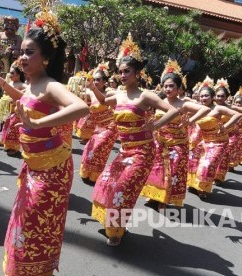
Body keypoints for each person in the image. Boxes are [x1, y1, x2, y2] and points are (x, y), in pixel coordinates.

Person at [0, 7, 89, 274]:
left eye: (29, 52)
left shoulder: (52, 85)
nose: (22, 57)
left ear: (46, 58)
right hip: (33, 167)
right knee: (24, 226)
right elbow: (25, 100)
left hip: (52, 172)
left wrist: (38, 124)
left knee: (35, 228)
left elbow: (81, 108)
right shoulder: (32, 85)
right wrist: (0, 82)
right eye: (22, 51)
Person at [91, 34, 179, 246]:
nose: (122, 75)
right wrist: (92, 87)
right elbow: (103, 101)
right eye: (120, 72)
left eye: (126, 71)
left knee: (122, 191)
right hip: (125, 151)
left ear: (137, 73)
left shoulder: (145, 96)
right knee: (106, 182)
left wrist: (156, 125)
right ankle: (115, 225)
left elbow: (174, 110)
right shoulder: (118, 95)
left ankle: (116, 230)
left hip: (142, 153)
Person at [141, 60, 211, 209]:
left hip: (178, 145)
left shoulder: (183, 104)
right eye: (165, 86)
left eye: (171, 86)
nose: (168, 88)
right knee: (158, 169)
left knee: (172, 172)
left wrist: (190, 120)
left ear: (179, 88)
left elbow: (205, 110)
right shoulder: (159, 101)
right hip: (160, 142)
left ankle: (164, 200)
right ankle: (154, 196)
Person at [187, 77, 241, 199]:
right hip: (204, 140)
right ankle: (194, 184)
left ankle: (203, 188)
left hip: (219, 142)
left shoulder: (217, 108)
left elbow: (238, 114)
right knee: (194, 161)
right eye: (201, 96)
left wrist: (225, 127)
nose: (203, 98)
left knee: (208, 164)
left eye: (206, 96)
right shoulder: (197, 108)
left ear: (212, 97)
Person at [80, 63, 118, 184]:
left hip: (110, 127)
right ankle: (86, 173)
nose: (95, 82)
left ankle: (95, 176)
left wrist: (93, 89)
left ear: (105, 81)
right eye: (94, 79)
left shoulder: (111, 92)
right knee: (89, 148)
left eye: (98, 80)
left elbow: (104, 100)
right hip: (98, 127)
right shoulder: (89, 92)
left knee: (99, 148)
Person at [0, 60, 26, 156]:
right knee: (6, 126)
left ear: (18, 75)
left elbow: (26, 93)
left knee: (13, 127)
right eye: (9, 72)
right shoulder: (9, 84)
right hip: (8, 110)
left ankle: (14, 147)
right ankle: (8, 145)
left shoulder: (22, 85)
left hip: (16, 110)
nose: (9, 74)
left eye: (12, 73)